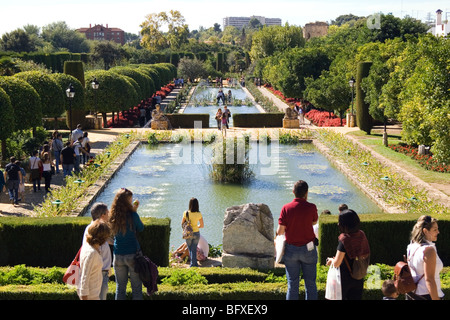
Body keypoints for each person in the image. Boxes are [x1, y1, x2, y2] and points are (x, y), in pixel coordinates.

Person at [277, 180, 318, 300]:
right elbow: (314, 222)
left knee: (292, 285)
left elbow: (280, 231)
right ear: (306, 192)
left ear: (293, 192)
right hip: (308, 249)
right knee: (310, 285)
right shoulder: (312, 207)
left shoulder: (286, 208)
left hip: (291, 250)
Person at [326, 209, 370, 300]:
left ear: (344, 225)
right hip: (358, 275)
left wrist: (331, 260)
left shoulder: (345, 240)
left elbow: (336, 263)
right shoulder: (362, 234)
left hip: (345, 279)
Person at [109, 188, 144, 300]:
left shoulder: (112, 216)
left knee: (120, 288)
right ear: (127, 201)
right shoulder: (132, 215)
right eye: (130, 199)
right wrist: (135, 211)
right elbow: (141, 228)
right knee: (137, 289)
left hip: (118, 255)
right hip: (133, 255)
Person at [406, 215, 444, 300]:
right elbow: (429, 280)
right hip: (427, 295)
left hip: (412, 294)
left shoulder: (411, 247)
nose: (438, 232)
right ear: (425, 231)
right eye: (435, 229)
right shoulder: (428, 250)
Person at [82, 202, 112, 300]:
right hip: (99, 274)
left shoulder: (94, 229)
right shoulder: (95, 231)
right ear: (103, 215)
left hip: (102, 273)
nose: (109, 214)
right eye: (107, 213)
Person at [181, 197, 204, 268]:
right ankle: (195, 264)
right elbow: (202, 225)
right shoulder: (199, 214)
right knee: (193, 249)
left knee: (190, 249)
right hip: (196, 233)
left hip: (188, 233)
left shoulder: (186, 213)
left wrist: (188, 227)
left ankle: (193, 265)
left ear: (190, 204)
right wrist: (196, 226)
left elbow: (182, 223)